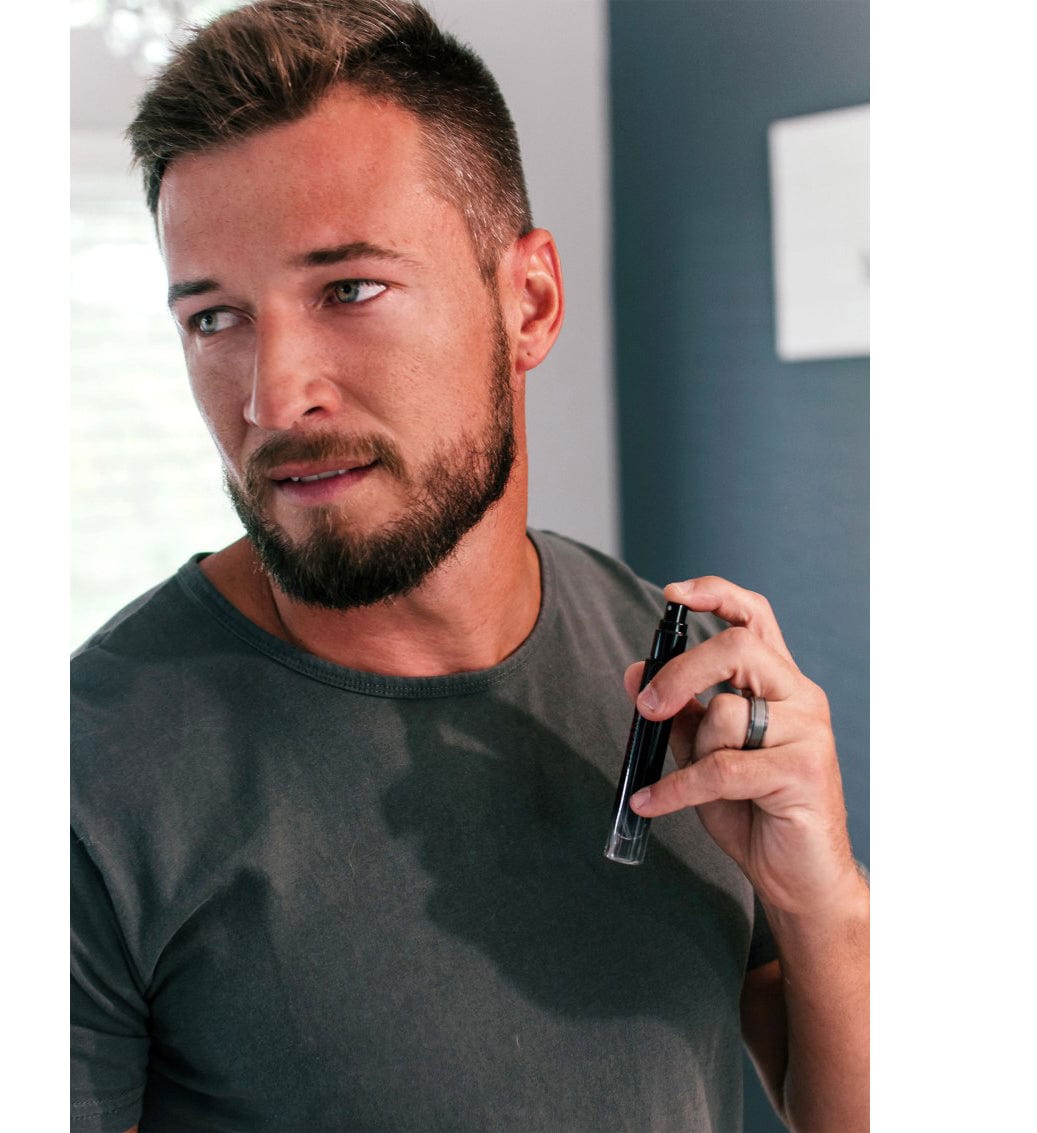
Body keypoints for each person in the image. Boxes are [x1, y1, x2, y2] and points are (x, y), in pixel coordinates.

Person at [70, 2, 869, 1130]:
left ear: (527, 302)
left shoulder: (670, 676)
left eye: (348, 289)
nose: (272, 397)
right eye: (213, 318)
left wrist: (824, 899)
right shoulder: (85, 779)